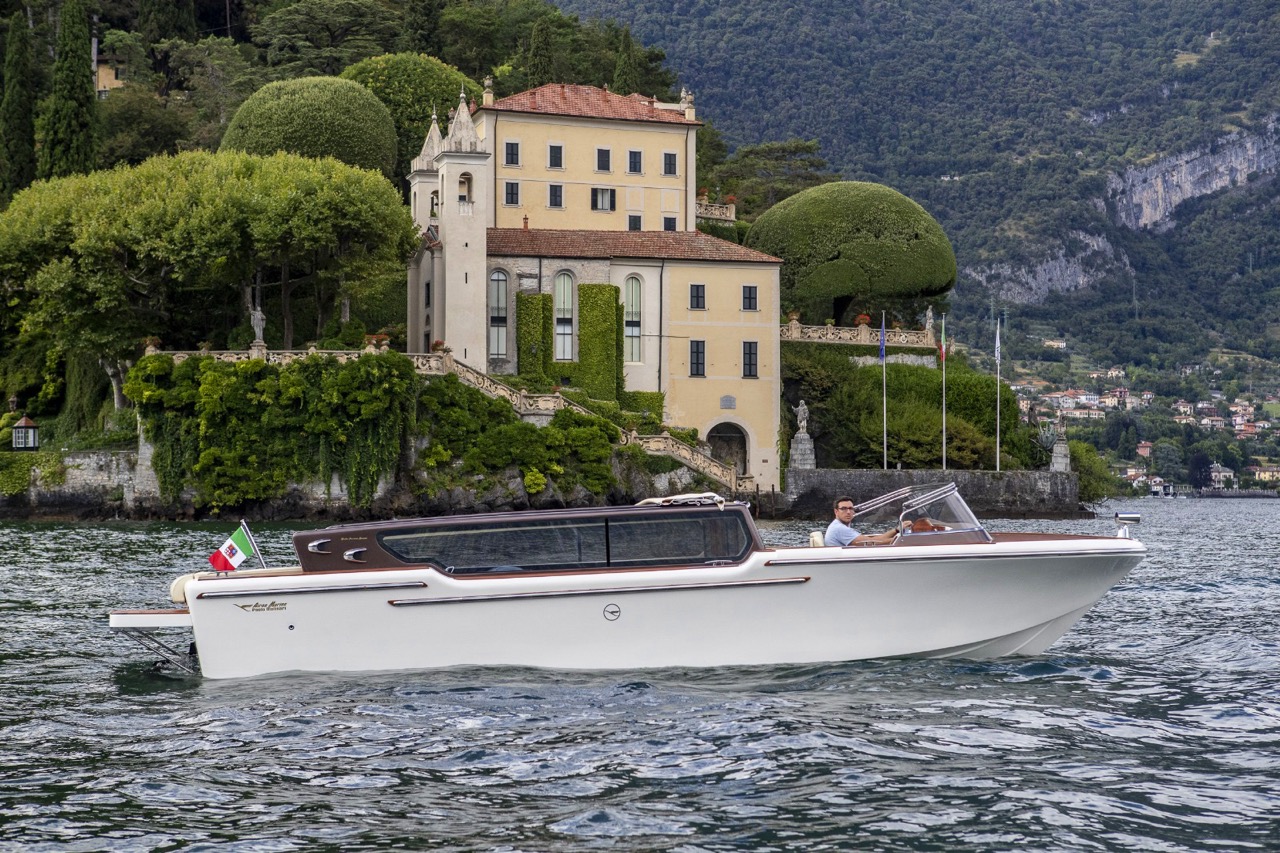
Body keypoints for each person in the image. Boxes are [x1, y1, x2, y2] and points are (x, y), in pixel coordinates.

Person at [824, 496, 902, 546]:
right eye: (843, 509)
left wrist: (896, 530)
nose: (848, 512)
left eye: (851, 508)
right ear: (836, 512)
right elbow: (870, 543)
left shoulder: (838, 525)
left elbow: (872, 541)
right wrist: (901, 540)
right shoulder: (839, 528)